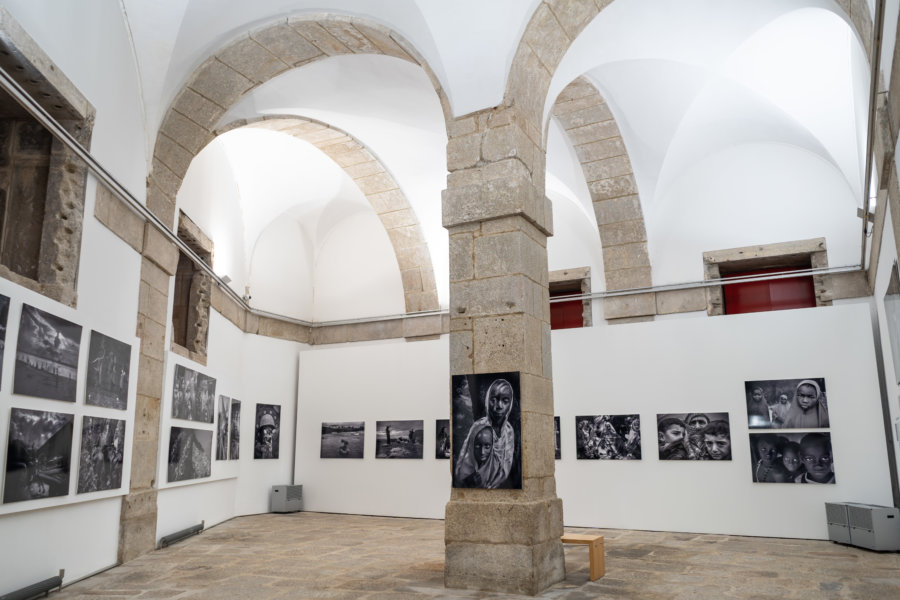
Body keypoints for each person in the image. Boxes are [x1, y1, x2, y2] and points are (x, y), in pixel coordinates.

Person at [455, 378, 516, 487]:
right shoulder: (479, 426)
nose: (499, 406)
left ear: (510, 403)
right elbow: (467, 461)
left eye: (505, 401)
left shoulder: (508, 431)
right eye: (494, 400)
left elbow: (506, 466)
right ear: (488, 400)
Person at [455, 423, 503, 488]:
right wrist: (467, 482)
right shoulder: (464, 468)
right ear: (472, 446)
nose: (482, 452)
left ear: (493, 446)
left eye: (487, 446)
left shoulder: (498, 471)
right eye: (477, 446)